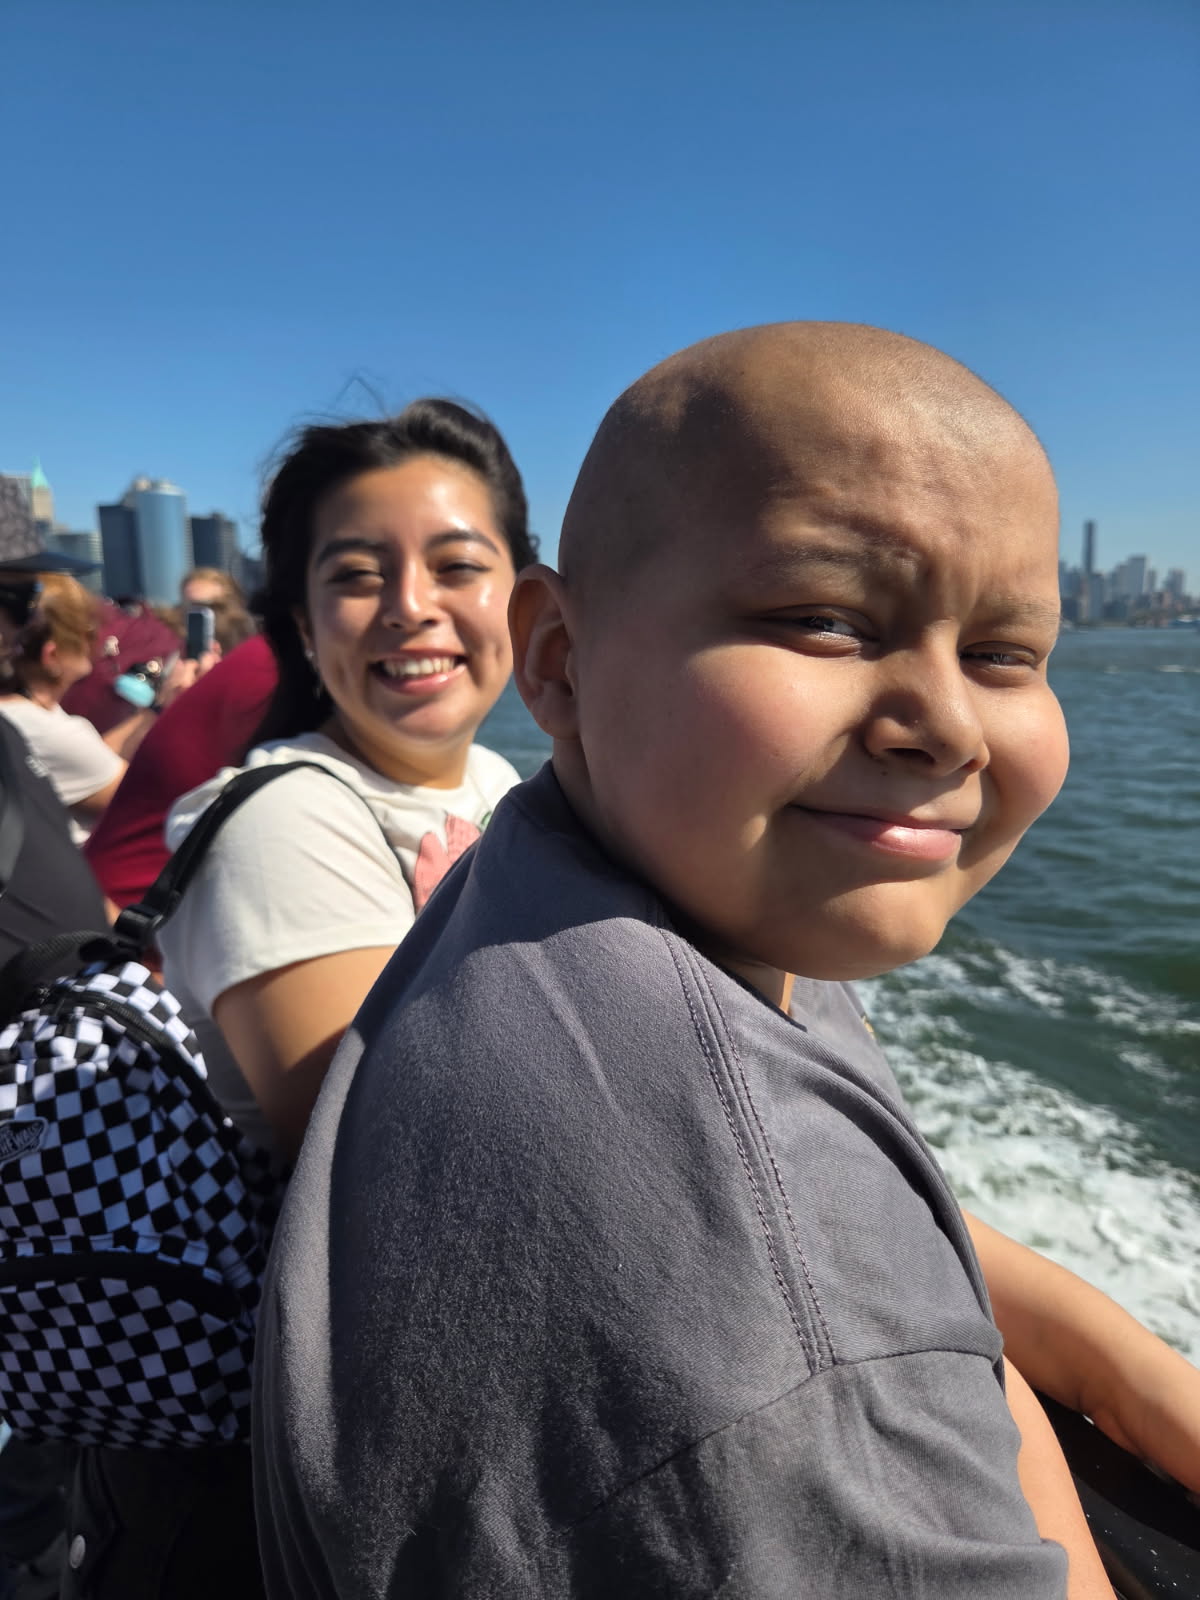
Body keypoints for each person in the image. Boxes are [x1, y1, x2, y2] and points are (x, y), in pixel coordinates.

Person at [254, 324, 1199, 1598]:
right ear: (560, 661)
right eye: (823, 620)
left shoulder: (574, 864)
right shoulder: (760, 1319)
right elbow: (806, 1319)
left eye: (1004, 655)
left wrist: (1121, 1368)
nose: (947, 726)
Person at [60, 399, 537, 1600]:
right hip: (301, 1486)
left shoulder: (499, 784)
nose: (411, 605)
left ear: (526, 602)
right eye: (358, 576)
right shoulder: (285, 819)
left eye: (457, 565)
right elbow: (412, 1179)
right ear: (303, 623)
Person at [0, 574, 209, 841]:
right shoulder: (42, 729)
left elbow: (97, 757)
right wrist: (192, 704)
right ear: (52, 655)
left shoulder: (26, 715)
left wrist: (159, 709)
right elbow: (156, 797)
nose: (97, 641)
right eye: (88, 633)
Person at [83, 634, 278, 912]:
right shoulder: (266, 670)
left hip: (112, 906)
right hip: (121, 919)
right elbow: (104, 779)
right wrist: (164, 707)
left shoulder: (259, 664)